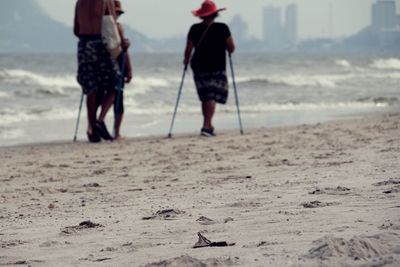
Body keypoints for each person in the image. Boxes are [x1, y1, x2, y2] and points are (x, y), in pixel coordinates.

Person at [183, 0, 235, 137]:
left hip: (198, 66)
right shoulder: (223, 28)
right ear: (215, 14)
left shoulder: (194, 28)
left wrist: (185, 61)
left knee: (205, 96)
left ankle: (208, 124)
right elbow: (231, 48)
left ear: (201, 14)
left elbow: (188, 49)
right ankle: (206, 126)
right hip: (216, 66)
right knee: (211, 96)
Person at [74, 0, 120, 142]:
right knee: (115, 85)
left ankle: (92, 129)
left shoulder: (79, 2)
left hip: (83, 44)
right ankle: (99, 121)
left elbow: (76, 29)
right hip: (99, 43)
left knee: (91, 88)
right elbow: (111, 26)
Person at [98, 0, 132, 140]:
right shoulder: (116, 27)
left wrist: (129, 69)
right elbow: (123, 49)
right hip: (115, 63)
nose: (117, 15)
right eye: (116, 12)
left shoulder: (100, 26)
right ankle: (111, 129)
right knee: (116, 95)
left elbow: (123, 51)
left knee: (112, 96)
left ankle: (111, 130)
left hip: (111, 63)